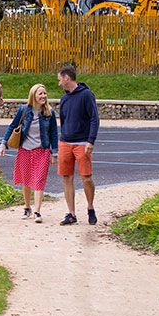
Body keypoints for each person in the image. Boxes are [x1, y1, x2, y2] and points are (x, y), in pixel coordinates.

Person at [0, 83, 58, 223]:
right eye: (40, 94)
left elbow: (54, 133)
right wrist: (3, 143)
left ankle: (37, 212)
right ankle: (27, 207)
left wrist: (54, 153)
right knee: (26, 180)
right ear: (33, 96)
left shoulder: (50, 112)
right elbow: (13, 126)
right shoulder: (24, 110)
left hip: (41, 150)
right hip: (25, 150)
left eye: (45, 93)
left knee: (38, 180)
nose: (43, 96)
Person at [56, 64, 99, 225]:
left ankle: (90, 207)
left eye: (60, 80)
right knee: (67, 177)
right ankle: (71, 213)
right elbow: (63, 119)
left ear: (67, 78)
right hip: (65, 141)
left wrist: (91, 140)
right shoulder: (64, 98)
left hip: (82, 142)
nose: (59, 83)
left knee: (86, 177)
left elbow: (94, 118)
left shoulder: (86, 95)